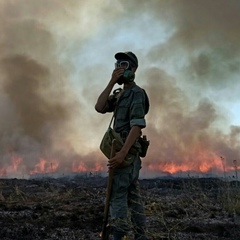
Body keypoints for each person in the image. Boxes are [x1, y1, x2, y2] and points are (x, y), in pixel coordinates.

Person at [95, 51, 149, 240]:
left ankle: (118, 233)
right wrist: (111, 82)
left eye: (123, 65)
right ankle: (141, 236)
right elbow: (99, 107)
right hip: (122, 153)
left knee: (117, 194)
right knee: (133, 197)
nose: (119, 69)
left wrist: (122, 153)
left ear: (133, 69)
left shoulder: (136, 93)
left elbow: (137, 125)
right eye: (117, 65)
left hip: (126, 155)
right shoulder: (120, 94)